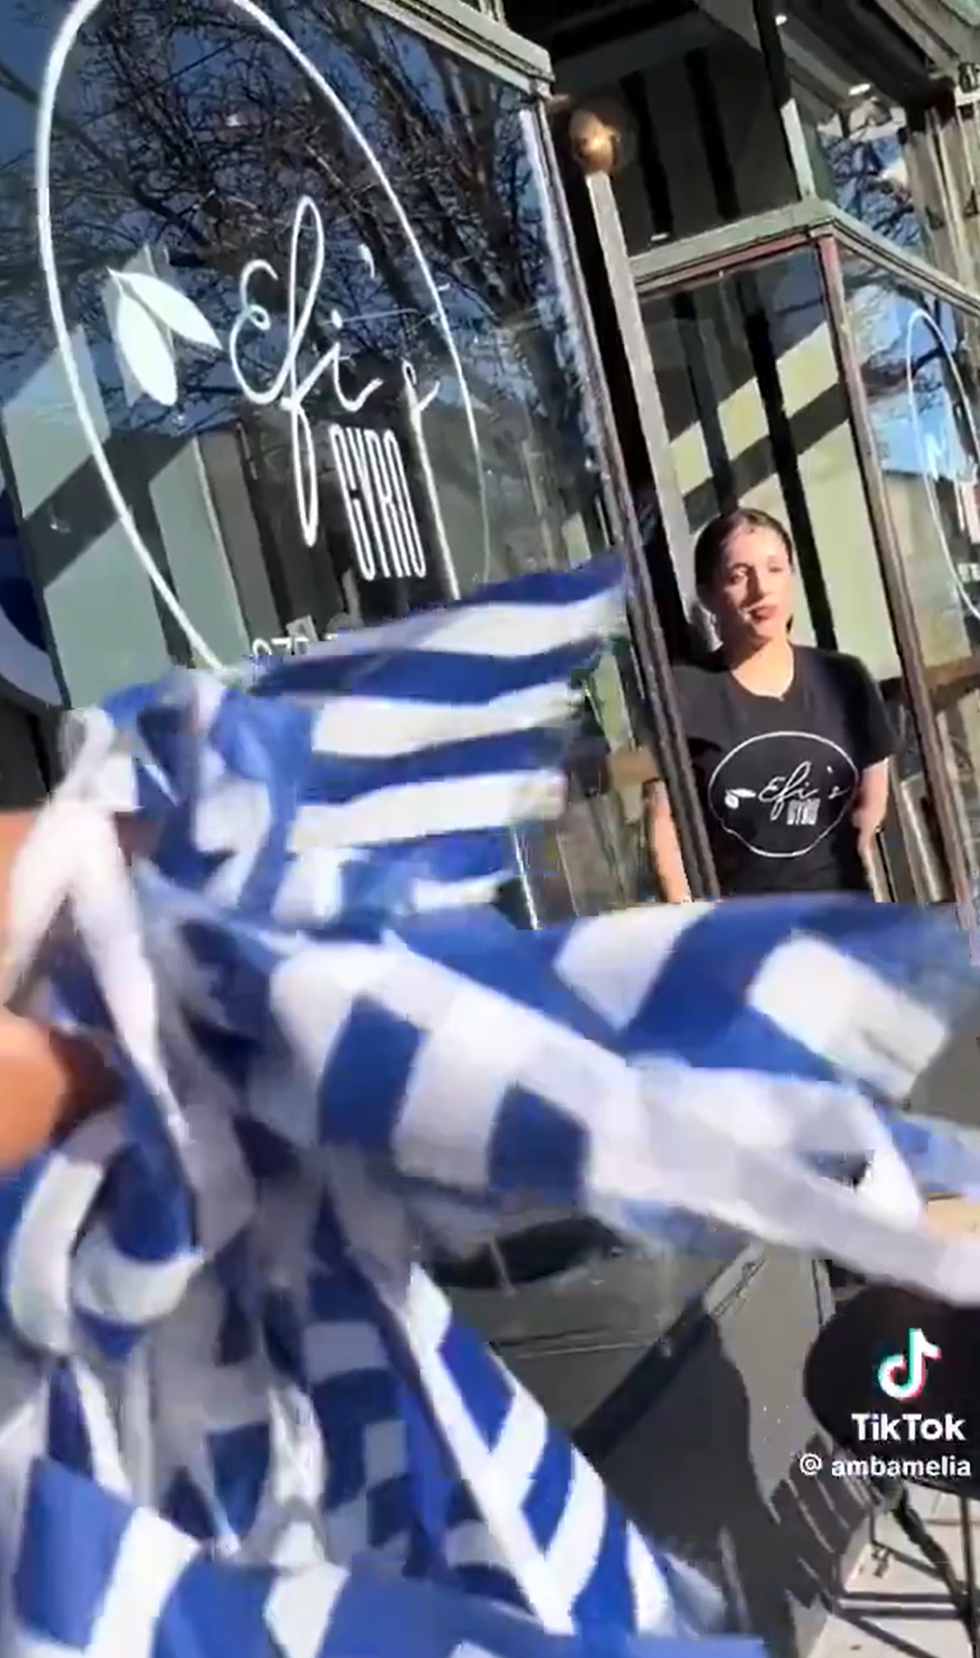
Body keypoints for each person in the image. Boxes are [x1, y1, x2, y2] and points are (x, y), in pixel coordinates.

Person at [650, 506, 894, 901]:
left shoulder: (844, 679)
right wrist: (697, 931)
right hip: (748, 935)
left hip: (846, 919)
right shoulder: (684, 694)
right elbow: (665, 835)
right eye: (738, 575)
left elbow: (872, 801)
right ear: (710, 595)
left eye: (775, 569)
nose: (761, 589)